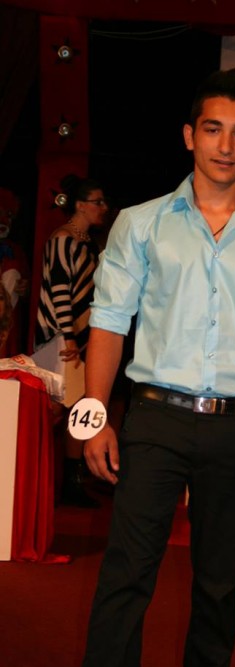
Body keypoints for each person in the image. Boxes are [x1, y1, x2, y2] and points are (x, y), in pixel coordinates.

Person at [78, 68, 235, 667]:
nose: (225, 145)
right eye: (213, 129)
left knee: (219, 580)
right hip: (154, 420)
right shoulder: (141, 223)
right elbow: (109, 321)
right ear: (189, 135)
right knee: (127, 573)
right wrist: (95, 415)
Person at [34, 173, 109, 507]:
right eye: (97, 202)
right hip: (60, 339)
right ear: (80, 205)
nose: (103, 208)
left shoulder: (87, 243)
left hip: (78, 339)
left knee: (76, 406)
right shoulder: (63, 239)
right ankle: (42, 480)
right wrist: (68, 337)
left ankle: (71, 481)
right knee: (56, 408)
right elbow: (60, 291)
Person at [0, 186, 30, 359]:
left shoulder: (16, 252)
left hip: (8, 329)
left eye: (9, 216)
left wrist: (25, 290)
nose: (4, 220)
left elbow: (26, 291)